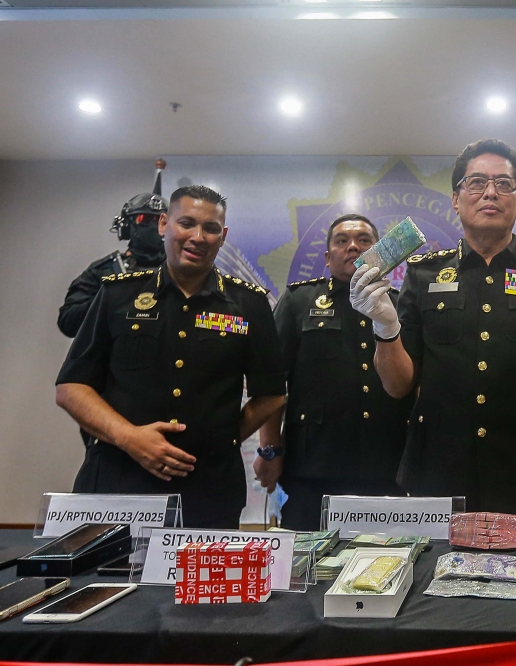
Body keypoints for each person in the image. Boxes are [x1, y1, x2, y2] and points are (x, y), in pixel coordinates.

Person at [350, 138, 516, 534]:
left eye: (504, 184)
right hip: (439, 472)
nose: (490, 193)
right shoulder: (424, 274)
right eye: (477, 182)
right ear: (455, 198)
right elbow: (398, 387)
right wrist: (386, 328)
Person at [55, 185, 286, 528]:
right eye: (186, 223)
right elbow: (71, 387)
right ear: (164, 225)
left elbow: (272, 393)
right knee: (106, 582)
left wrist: (224, 435)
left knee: (197, 582)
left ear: (222, 237)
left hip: (209, 486)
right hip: (117, 481)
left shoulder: (248, 304)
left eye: (210, 229)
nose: (197, 236)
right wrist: (129, 437)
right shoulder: (117, 294)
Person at [254, 213, 414, 530]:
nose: (353, 247)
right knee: (306, 569)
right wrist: (270, 450)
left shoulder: (400, 305)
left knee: (385, 566)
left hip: (385, 469)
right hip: (312, 470)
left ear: (379, 252)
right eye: (342, 241)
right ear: (327, 258)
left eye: (364, 241)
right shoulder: (299, 301)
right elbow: (271, 383)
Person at [58, 159, 169, 337]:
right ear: (126, 227)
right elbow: (68, 323)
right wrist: (110, 296)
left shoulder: (183, 272)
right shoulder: (103, 271)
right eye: (144, 219)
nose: (153, 226)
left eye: (160, 221)